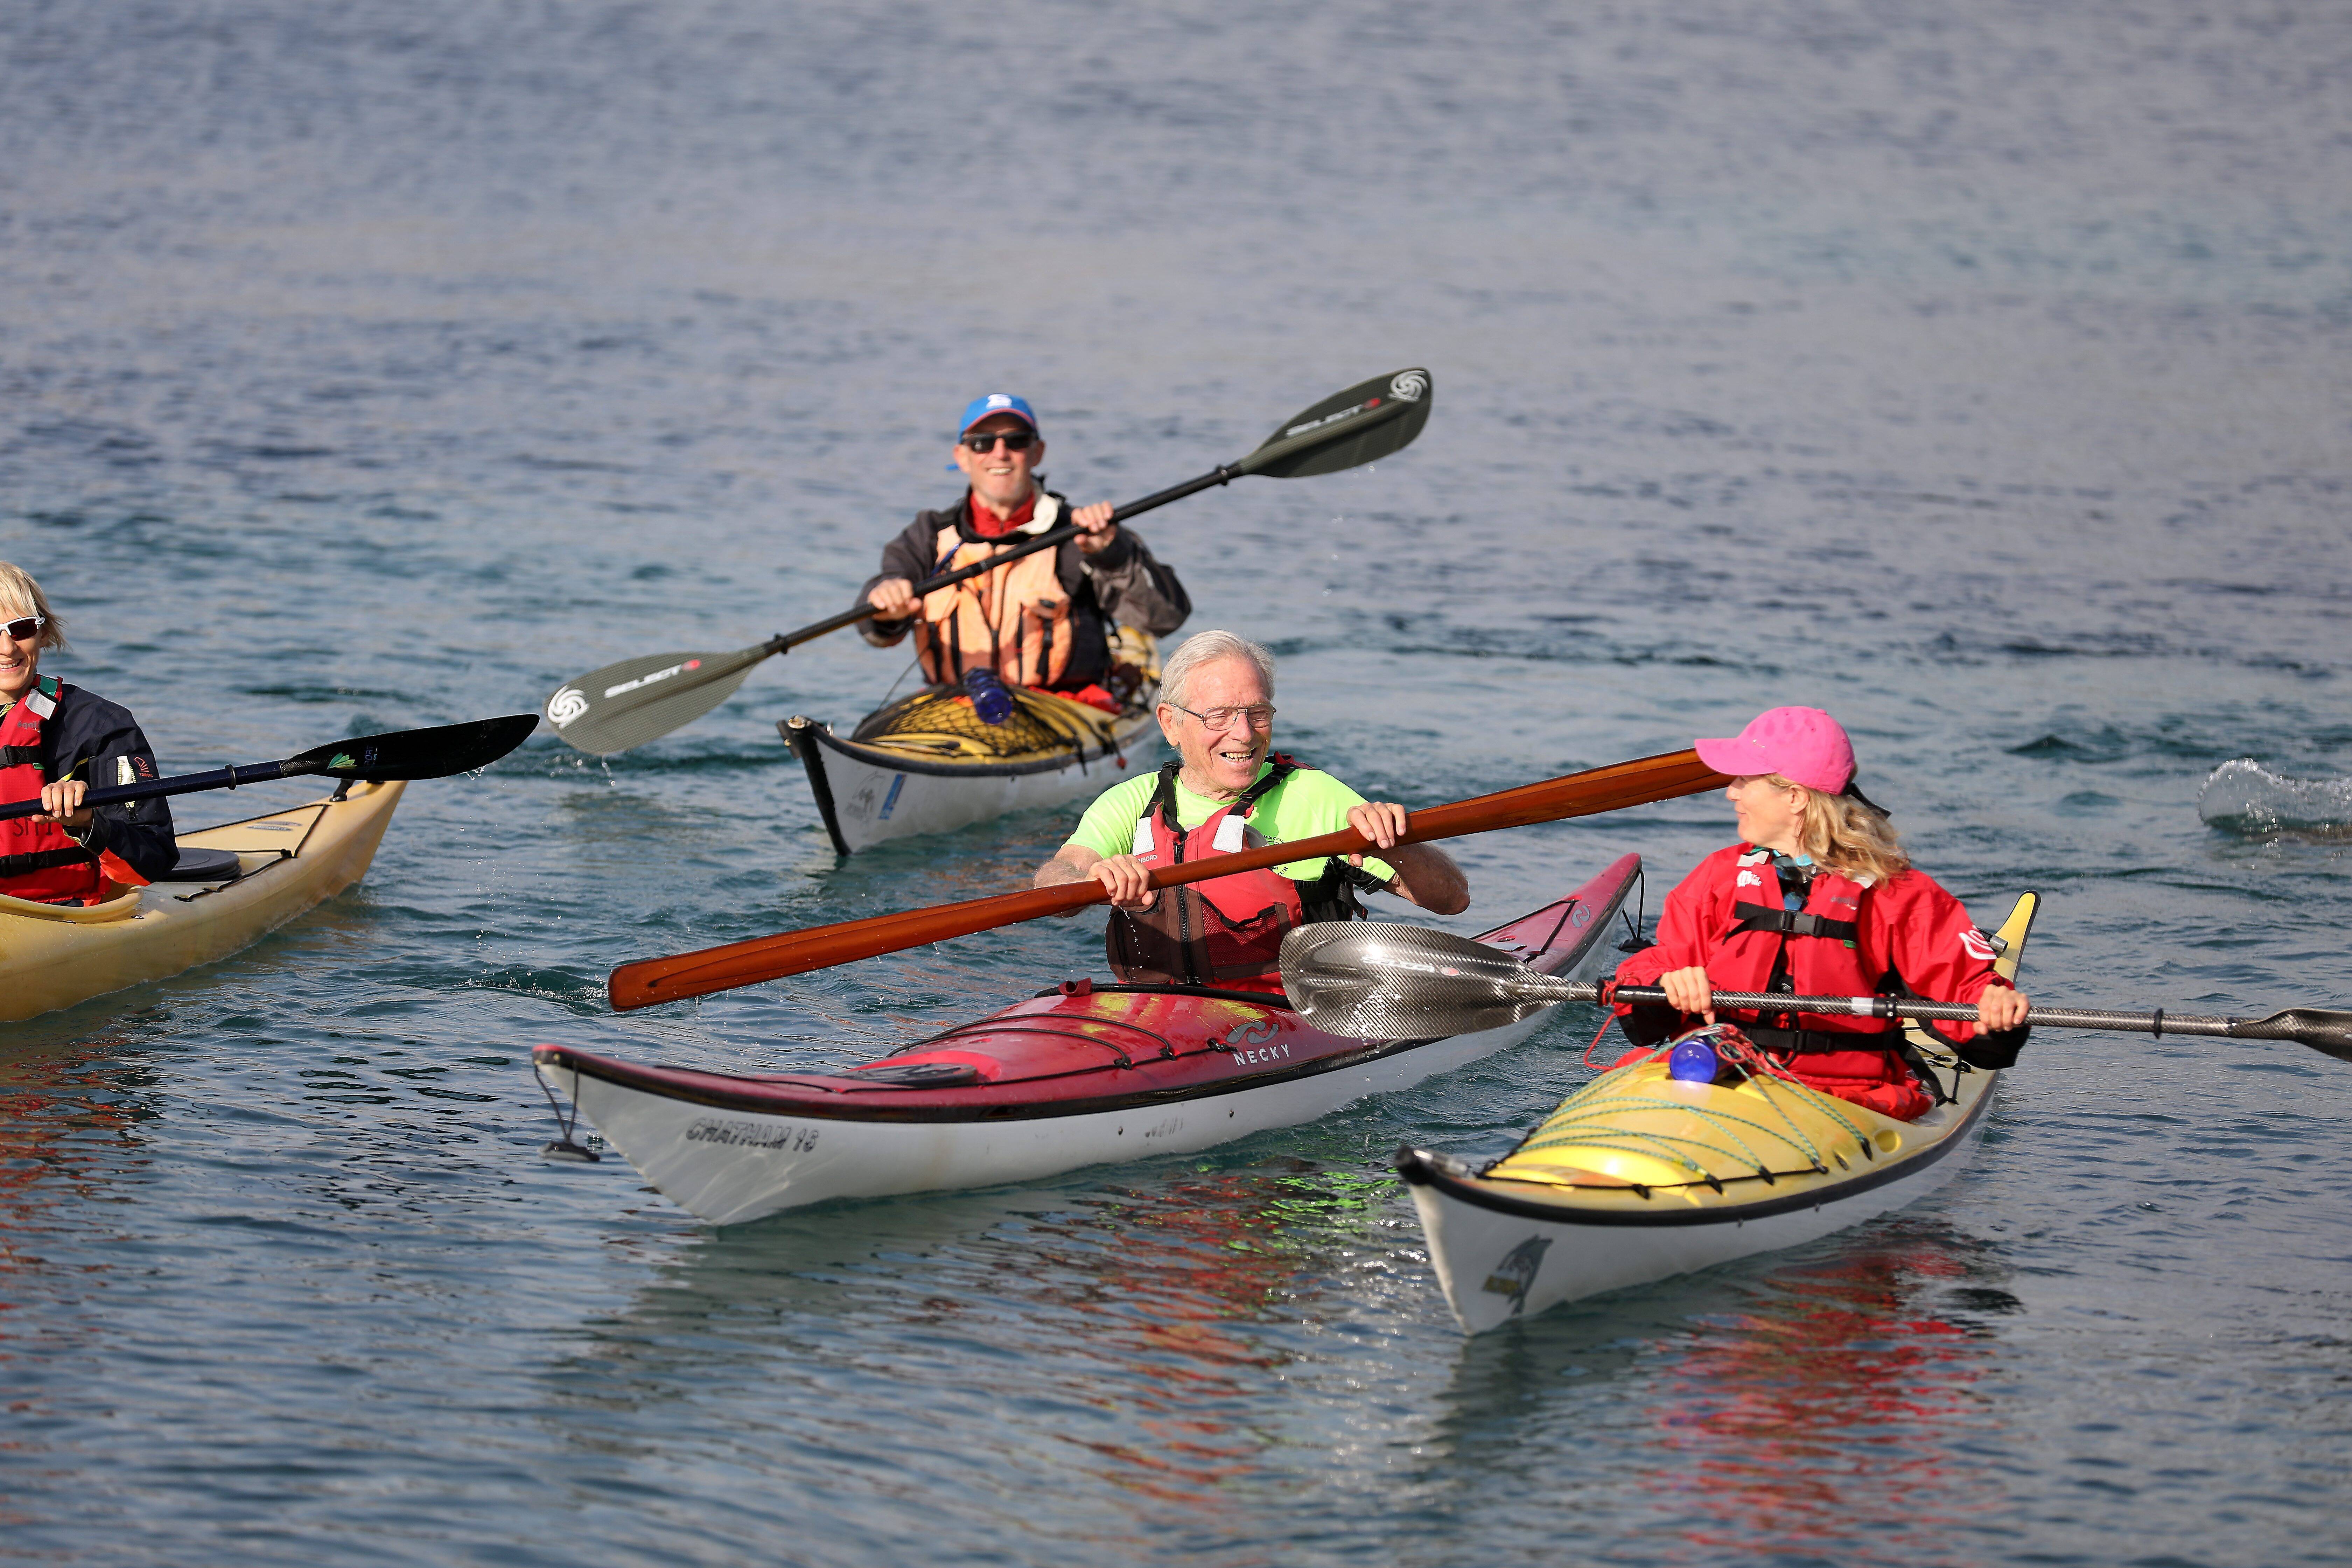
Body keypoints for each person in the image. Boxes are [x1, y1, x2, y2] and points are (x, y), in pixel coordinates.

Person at [1612, 706, 2031, 1120]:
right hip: (1716, 1076)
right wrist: (1664, 982)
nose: (1731, 792)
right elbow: (1662, 967)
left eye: (1744, 780)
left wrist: (1994, 1014)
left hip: (1845, 1097)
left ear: (1795, 797)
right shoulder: (1718, 877)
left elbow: (1965, 992)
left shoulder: (1898, 895)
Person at [1034, 630, 1468, 994]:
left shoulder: (1314, 794)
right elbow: (1056, 886)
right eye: (1219, 716)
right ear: (1170, 723)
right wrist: (1091, 881)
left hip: (1286, 1020)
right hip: (1155, 1015)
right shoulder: (1132, 801)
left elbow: (1452, 900)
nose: (1243, 734)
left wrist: (1398, 846)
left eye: (1257, 713)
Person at [860, 392, 1190, 710]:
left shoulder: (1080, 535)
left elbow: (1166, 620)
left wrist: (1114, 555)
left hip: (1065, 709)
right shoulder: (928, 535)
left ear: (1037, 452)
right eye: (982, 443)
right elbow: (874, 632)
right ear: (962, 457)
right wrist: (885, 607)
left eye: (1016, 441)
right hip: (954, 706)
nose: (1000, 453)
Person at [0, 562, 176, 904]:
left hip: (60, 911)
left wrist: (86, 822)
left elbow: (153, 860)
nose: (7, 648)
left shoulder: (102, 726)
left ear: (44, 633)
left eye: (20, 629)